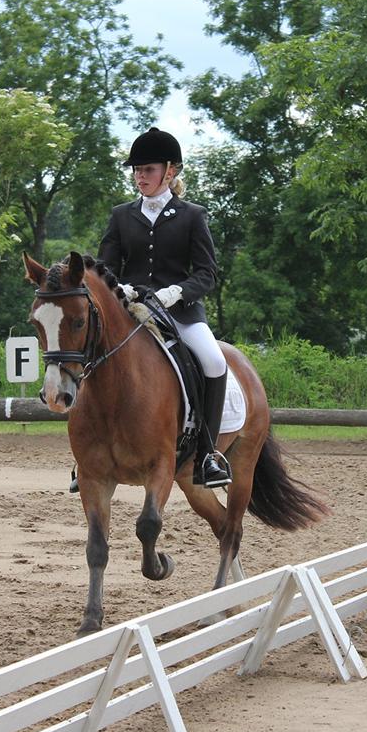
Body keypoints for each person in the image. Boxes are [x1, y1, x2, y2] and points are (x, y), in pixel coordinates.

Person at [97, 127, 232, 489]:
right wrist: (118, 287)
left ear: (171, 171)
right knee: (91, 352)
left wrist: (177, 293)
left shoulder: (192, 215)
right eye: (136, 170)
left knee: (215, 361)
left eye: (148, 170)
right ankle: (89, 455)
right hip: (131, 311)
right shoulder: (121, 215)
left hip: (179, 311)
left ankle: (207, 454)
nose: (140, 176)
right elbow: (103, 267)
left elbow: (207, 273)